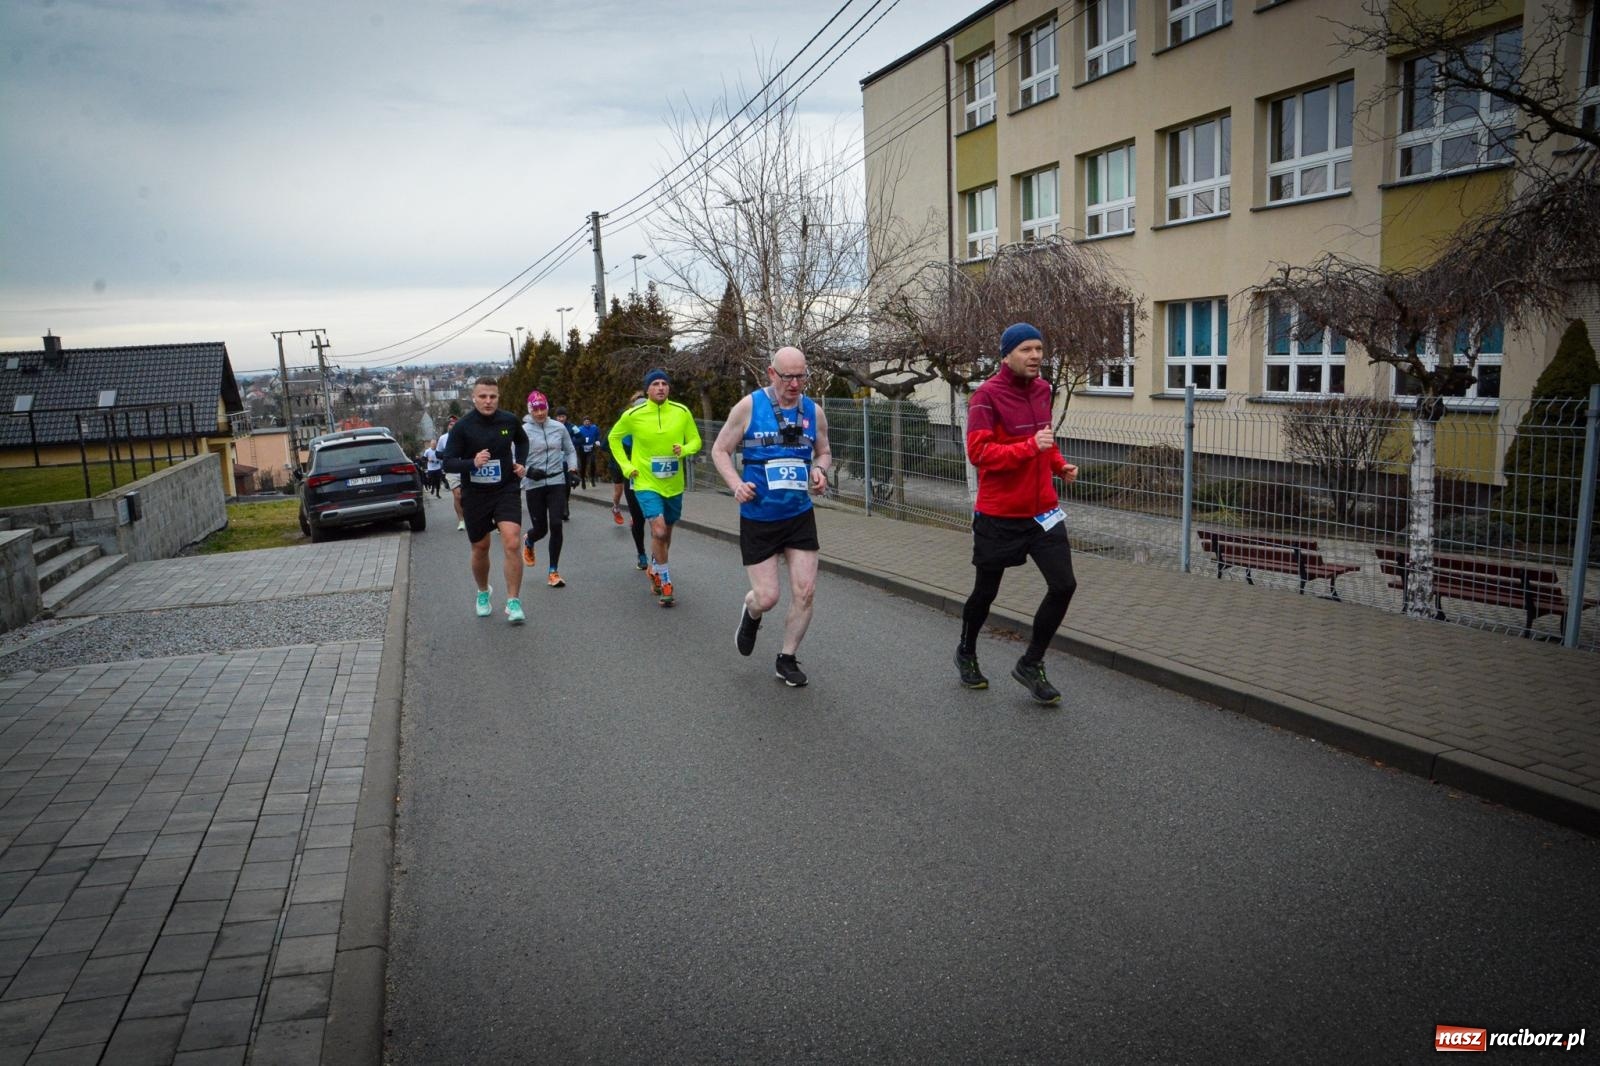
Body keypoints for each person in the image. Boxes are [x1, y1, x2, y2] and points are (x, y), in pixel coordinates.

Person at [953, 323, 1079, 705]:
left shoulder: (1043, 390)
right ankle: (967, 651)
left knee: (1064, 585)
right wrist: (1028, 447)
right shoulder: (986, 398)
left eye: (1039, 348)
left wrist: (1058, 465)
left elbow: (1044, 440)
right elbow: (979, 455)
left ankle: (1031, 662)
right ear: (1006, 355)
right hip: (1000, 514)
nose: (1036, 356)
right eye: (1026, 349)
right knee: (986, 592)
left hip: (1043, 512)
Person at [712, 346, 832, 688]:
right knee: (767, 597)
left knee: (805, 591)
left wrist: (820, 471)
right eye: (788, 377)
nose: (795, 384)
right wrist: (736, 484)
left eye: (801, 376)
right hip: (759, 515)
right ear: (771, 373)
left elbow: (823, 451)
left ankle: (786, 658)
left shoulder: (814, 411)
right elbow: (720, 449)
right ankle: (751, 613)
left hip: (798, 514)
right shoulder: (750, 406)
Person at [607, 368, 702, 606]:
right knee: (658, 531)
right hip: (645, 481)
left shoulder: (682, 412)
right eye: (655, 384)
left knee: (666, 533)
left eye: (664, 384)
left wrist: (686, 450)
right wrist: (627, 467)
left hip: (673, 483)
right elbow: (613, 438)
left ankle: (655, 567)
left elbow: (696, 440)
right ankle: (666, 581)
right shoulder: (634, 414)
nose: (660, 387)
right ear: (647, 389)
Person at [440, 378, 529, 623]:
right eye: (483, 396)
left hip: (506, 489)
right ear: (474, 398)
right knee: (481, 547)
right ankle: (483, 591)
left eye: (493, 396)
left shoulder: (509, 420)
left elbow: (522, 440)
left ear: (498, 397)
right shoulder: (462, 427)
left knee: (511, 541)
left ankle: (513, 601)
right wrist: (472, 463)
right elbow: (448, 462)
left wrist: (521, 462)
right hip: (476, 494)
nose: (488, 401)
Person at [519, 390, 578, 588]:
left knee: (556, 523)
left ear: (547, 408)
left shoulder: (559, 427)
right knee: (541, 529)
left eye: (543, 408)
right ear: (530, 410)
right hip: (534, 484)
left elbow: (570, 450)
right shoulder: (523, 431)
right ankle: (529, 540)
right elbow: (512, 460)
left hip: (556, 481)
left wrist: (572, 469)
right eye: (535, 409)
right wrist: (527, 471)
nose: (540, 413)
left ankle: (553, 571)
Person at [609, 392, 649, 569]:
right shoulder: (627, 428)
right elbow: (611, 443)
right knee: (638, 519)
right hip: (633, 478)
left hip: (655, 479)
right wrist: (624, 466)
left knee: (659, 521)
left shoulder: (656, 426)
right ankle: (641, 553)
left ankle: (658, 558)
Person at [436, 415, 465, 529]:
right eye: (450, 424)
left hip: (465, 469)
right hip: (452, 470)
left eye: (455, 424)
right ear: (448, 426)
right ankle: (461, 521)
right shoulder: (443, 438)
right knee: (457, 495)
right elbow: (438, 454)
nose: (452, 426)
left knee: (468, 495)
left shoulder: (465, 436)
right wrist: (448, 455)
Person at [553, 407, 578, 519]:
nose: (561, 418)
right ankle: (558, 505)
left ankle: (565, 505)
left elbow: (581, 438)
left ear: (566, 417)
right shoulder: (552, 427)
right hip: (554, 459)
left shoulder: (572, 427)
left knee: (567, 483)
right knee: (557, 484)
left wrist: (571, 442)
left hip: (567, 458)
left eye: (563, 416)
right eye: (559, 416)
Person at [575, 417, 601, 488]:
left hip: (591, 448)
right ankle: (583, 480)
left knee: (593, 462)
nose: (587, 423)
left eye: (588, 421)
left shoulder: (594, 428)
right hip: (582, 449)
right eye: (585, 421)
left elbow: (597, 435)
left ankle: (592, 478)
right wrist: (580, 442)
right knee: (583, 465)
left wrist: (598, 440)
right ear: (583, 422)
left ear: (590, 422)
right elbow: (575, 438)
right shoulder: (579, 429)